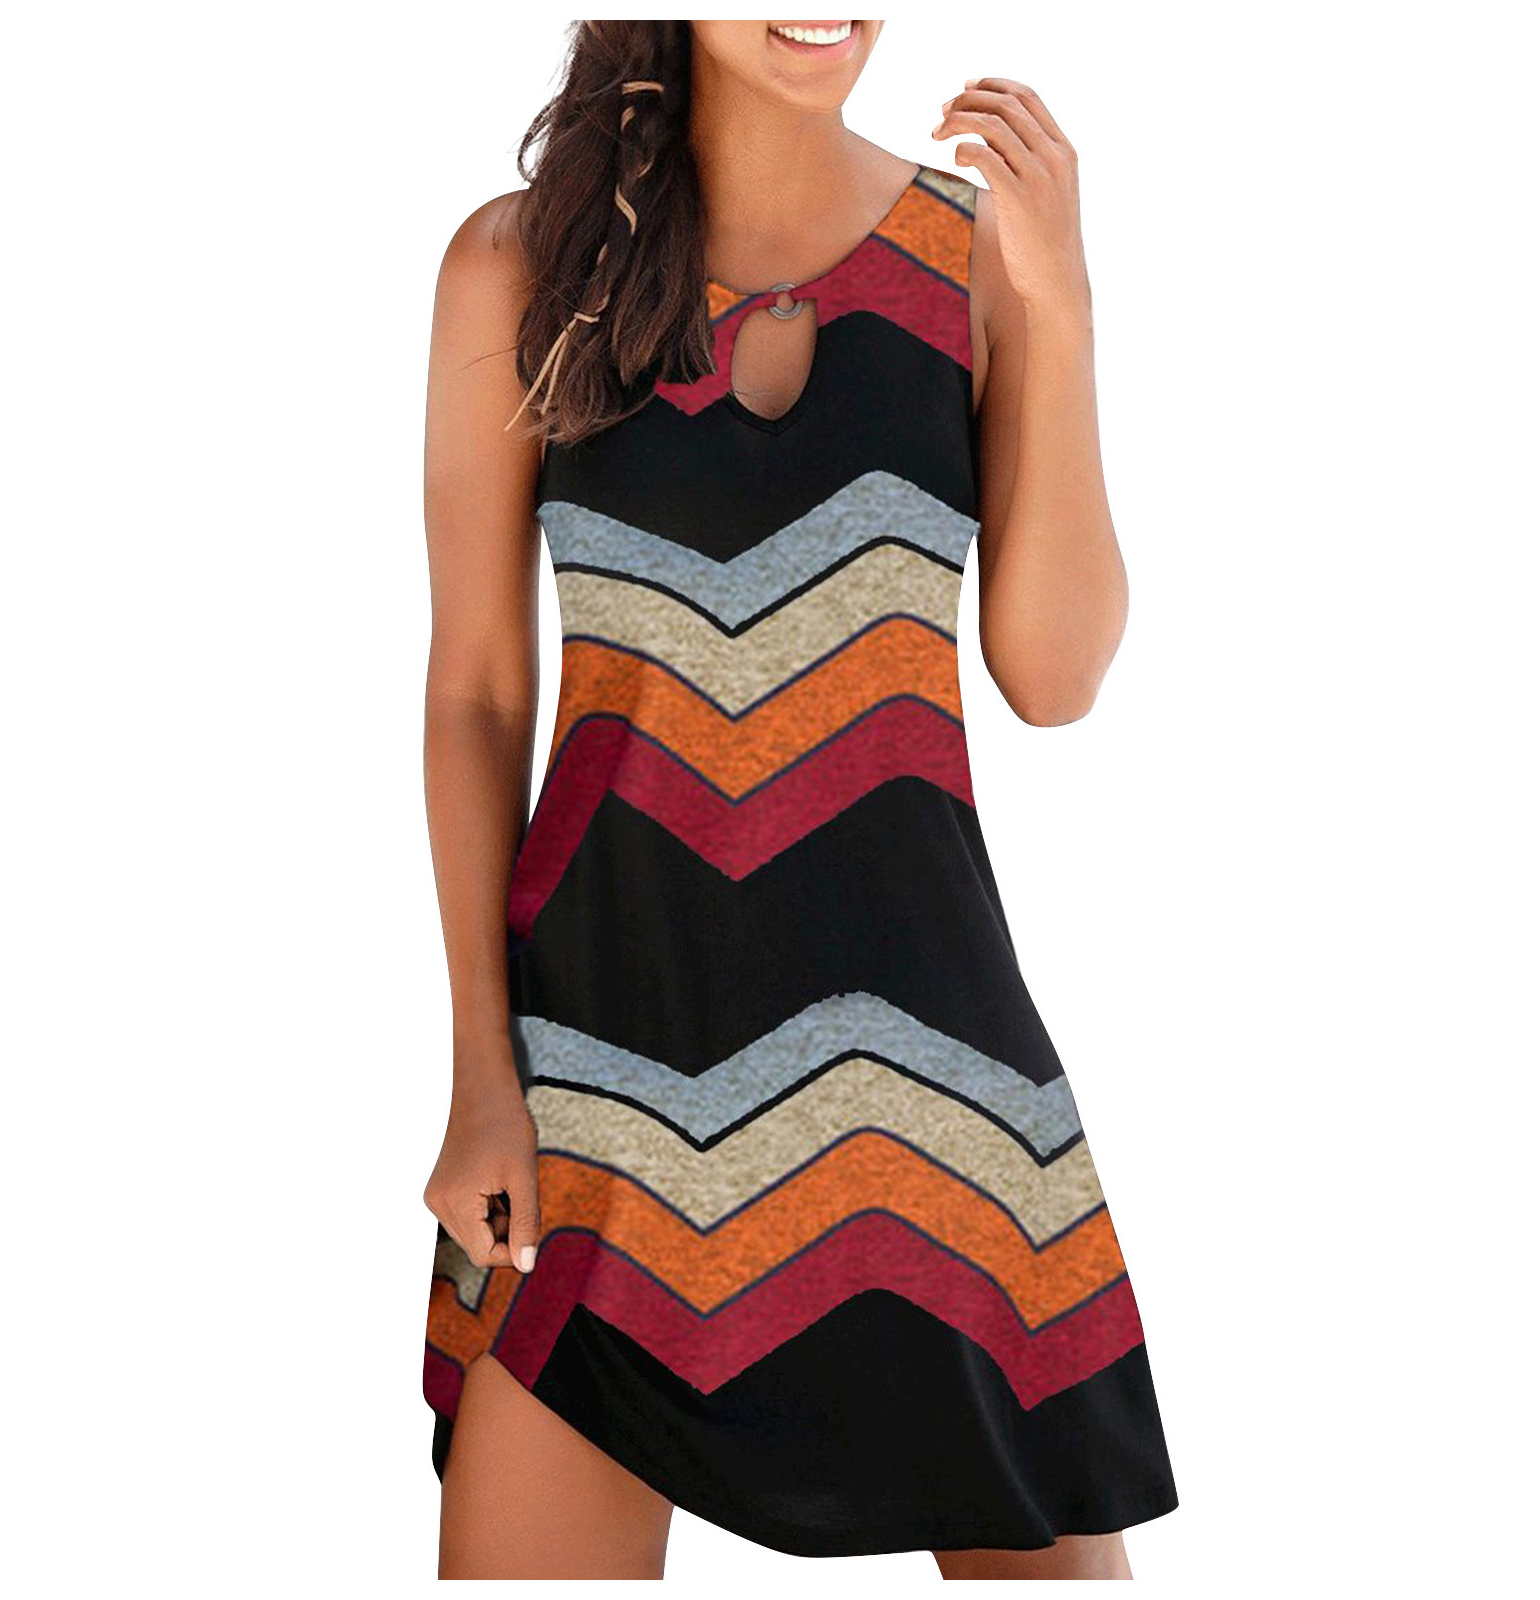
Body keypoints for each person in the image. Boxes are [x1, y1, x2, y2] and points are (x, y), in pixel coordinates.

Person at [419, 19, 1178, 1580]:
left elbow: (1055, 674)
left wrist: (1064, 308)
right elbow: (479, 692)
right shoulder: (519, 268)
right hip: (600, 1087)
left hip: (927, 1097)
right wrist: (482, 1074)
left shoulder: (974, 256)